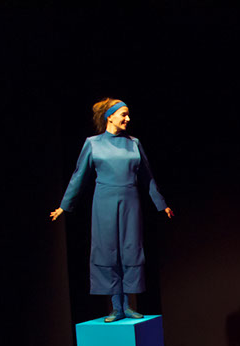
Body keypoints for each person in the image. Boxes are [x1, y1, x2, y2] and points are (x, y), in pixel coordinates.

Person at [51, 98, 174, 322]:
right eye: (123, 114)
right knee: (107, 250)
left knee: (131, 248)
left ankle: (128, 305)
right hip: (104, 203)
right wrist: (64, 206)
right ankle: (116, 307)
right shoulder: (93, 143)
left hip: (130, 202)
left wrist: (161, 204)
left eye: (127, 114)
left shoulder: (134, 143)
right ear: (110, 116)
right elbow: (79, 176)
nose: (128, 118)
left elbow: (147, 177)